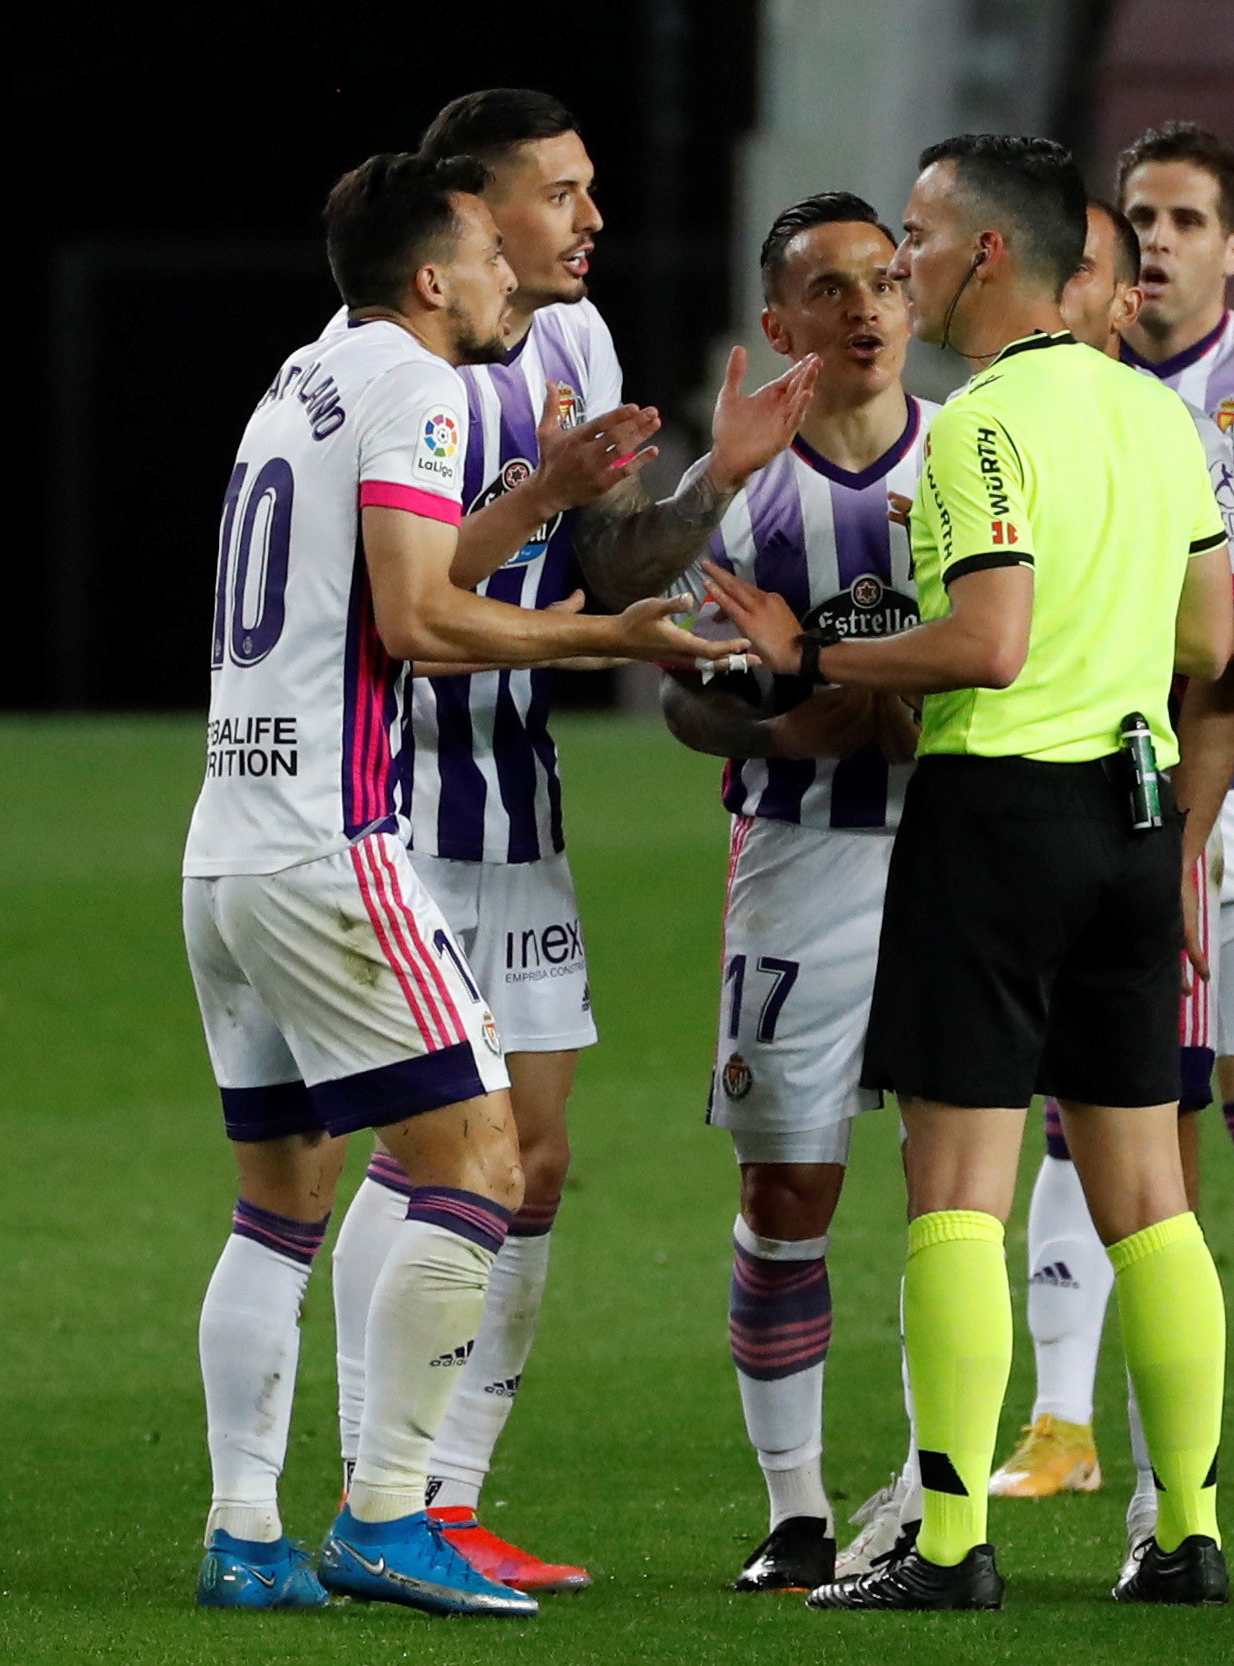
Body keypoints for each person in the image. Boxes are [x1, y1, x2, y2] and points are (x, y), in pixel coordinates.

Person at [184, 151, 739, 1617]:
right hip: (331, 840)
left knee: (278, 1208)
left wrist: (553, 513)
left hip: (224, 841)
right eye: (492, 255)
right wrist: (615, 638)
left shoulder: (300, 378)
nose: (513, 279)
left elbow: (384, 589)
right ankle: (386, 1512)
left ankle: (246, 1532)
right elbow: (423, 622)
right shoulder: (420, 388)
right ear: (434, 276)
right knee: (481, 1162)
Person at [704, 133, 1234, 1612]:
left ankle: (947, 1544)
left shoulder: (980, 431)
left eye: (923, 238)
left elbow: (987, 643)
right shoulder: (1156, 415)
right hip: (1136, 827)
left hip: (1000, 817)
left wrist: (808, 651)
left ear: (989, 255)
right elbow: (1206, 642)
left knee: (957, 1193)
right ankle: (1186, 1532)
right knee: (1150, 1197)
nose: (907, 265)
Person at [324, 88, 818, 1596]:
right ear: (471, 214)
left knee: (530, 1162)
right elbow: (410, 605)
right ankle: (379, 1483)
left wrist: (712, 482)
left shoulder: (575, 345)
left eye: (595, 185)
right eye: (560, 191)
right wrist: (572, 549)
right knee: (427, 1155)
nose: (592, 216)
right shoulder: (403, 360)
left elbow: (604, 560)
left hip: (516, 804)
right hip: (392, 799)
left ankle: (451, 1498)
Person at [998, 121, 1234, 1504]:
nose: (1155, 243)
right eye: (1138, 218)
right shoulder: (1062, 385)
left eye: (1185, 221)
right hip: (1084, 772)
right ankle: (1059, 1418)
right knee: (1081, 1095)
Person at [656, 190, 936, 1593]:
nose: (868, 308)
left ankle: (934, 1496)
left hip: (960, 867)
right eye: (832, 290)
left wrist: (854, 690)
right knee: (788, 1184)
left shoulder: (970, 462)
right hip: (800, 862)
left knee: (959, 1191)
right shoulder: (751, 489)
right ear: (780, 324)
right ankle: (797, 1506)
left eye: (886, 280)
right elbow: (685, 699)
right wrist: (771, 726)